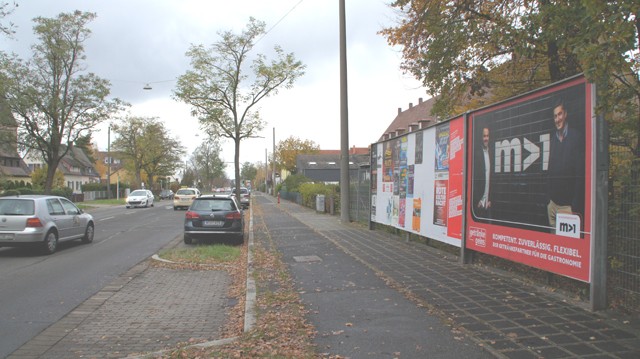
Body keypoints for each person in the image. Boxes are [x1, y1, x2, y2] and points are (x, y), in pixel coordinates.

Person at [547, 99, 584, 230]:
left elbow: (580, 174)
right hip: (552, 205)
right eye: (555, 116)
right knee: (553, 245)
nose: (557, 119)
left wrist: (574, 206)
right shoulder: (553, 140)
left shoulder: (576, 137)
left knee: (566, 246)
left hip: (567, 207)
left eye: (560, 114)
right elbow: (549, 170)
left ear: (566, 114)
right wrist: (549, 201)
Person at [473, 126, 493, 219]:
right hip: (479, 203)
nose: (486, 138)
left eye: (487, 136)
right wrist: (477, 200)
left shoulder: (491, 152)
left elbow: (493, 178)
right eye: (484, 136)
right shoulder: (477, 153)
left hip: (488, 203)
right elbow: (474, 178)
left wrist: (491, 199)